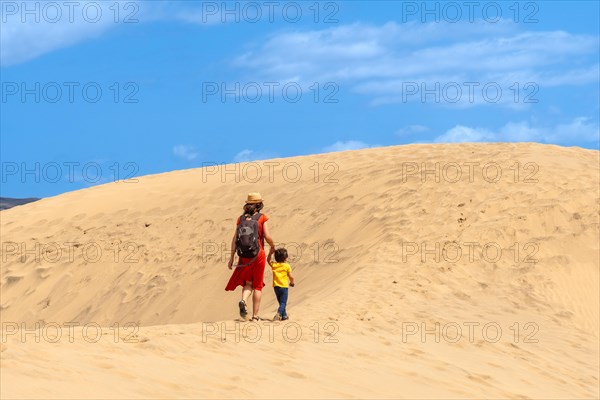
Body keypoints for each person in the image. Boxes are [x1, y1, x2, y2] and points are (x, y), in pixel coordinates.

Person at [225, 192, 275, 321]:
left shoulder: (240, 219)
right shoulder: (262, 218)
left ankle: (243, 300)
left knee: (248, 283)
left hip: (244, 256)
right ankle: (255, 315)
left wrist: (231, 258)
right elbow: (267, 236)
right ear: (260, 205)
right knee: (257, 285)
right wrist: (273, 246)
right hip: (258, 255)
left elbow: (234, 239)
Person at [267, 247, 295, 321]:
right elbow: (291, 277)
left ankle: (284, 316)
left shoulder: (274, 265)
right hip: (284, 287)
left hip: (276, 287)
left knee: (281, 302)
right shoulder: (287, 266)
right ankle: (279, 314)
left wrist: (270, 253)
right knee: (283, 302)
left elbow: (268, 260)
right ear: (285, 258)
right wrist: (292, 283)